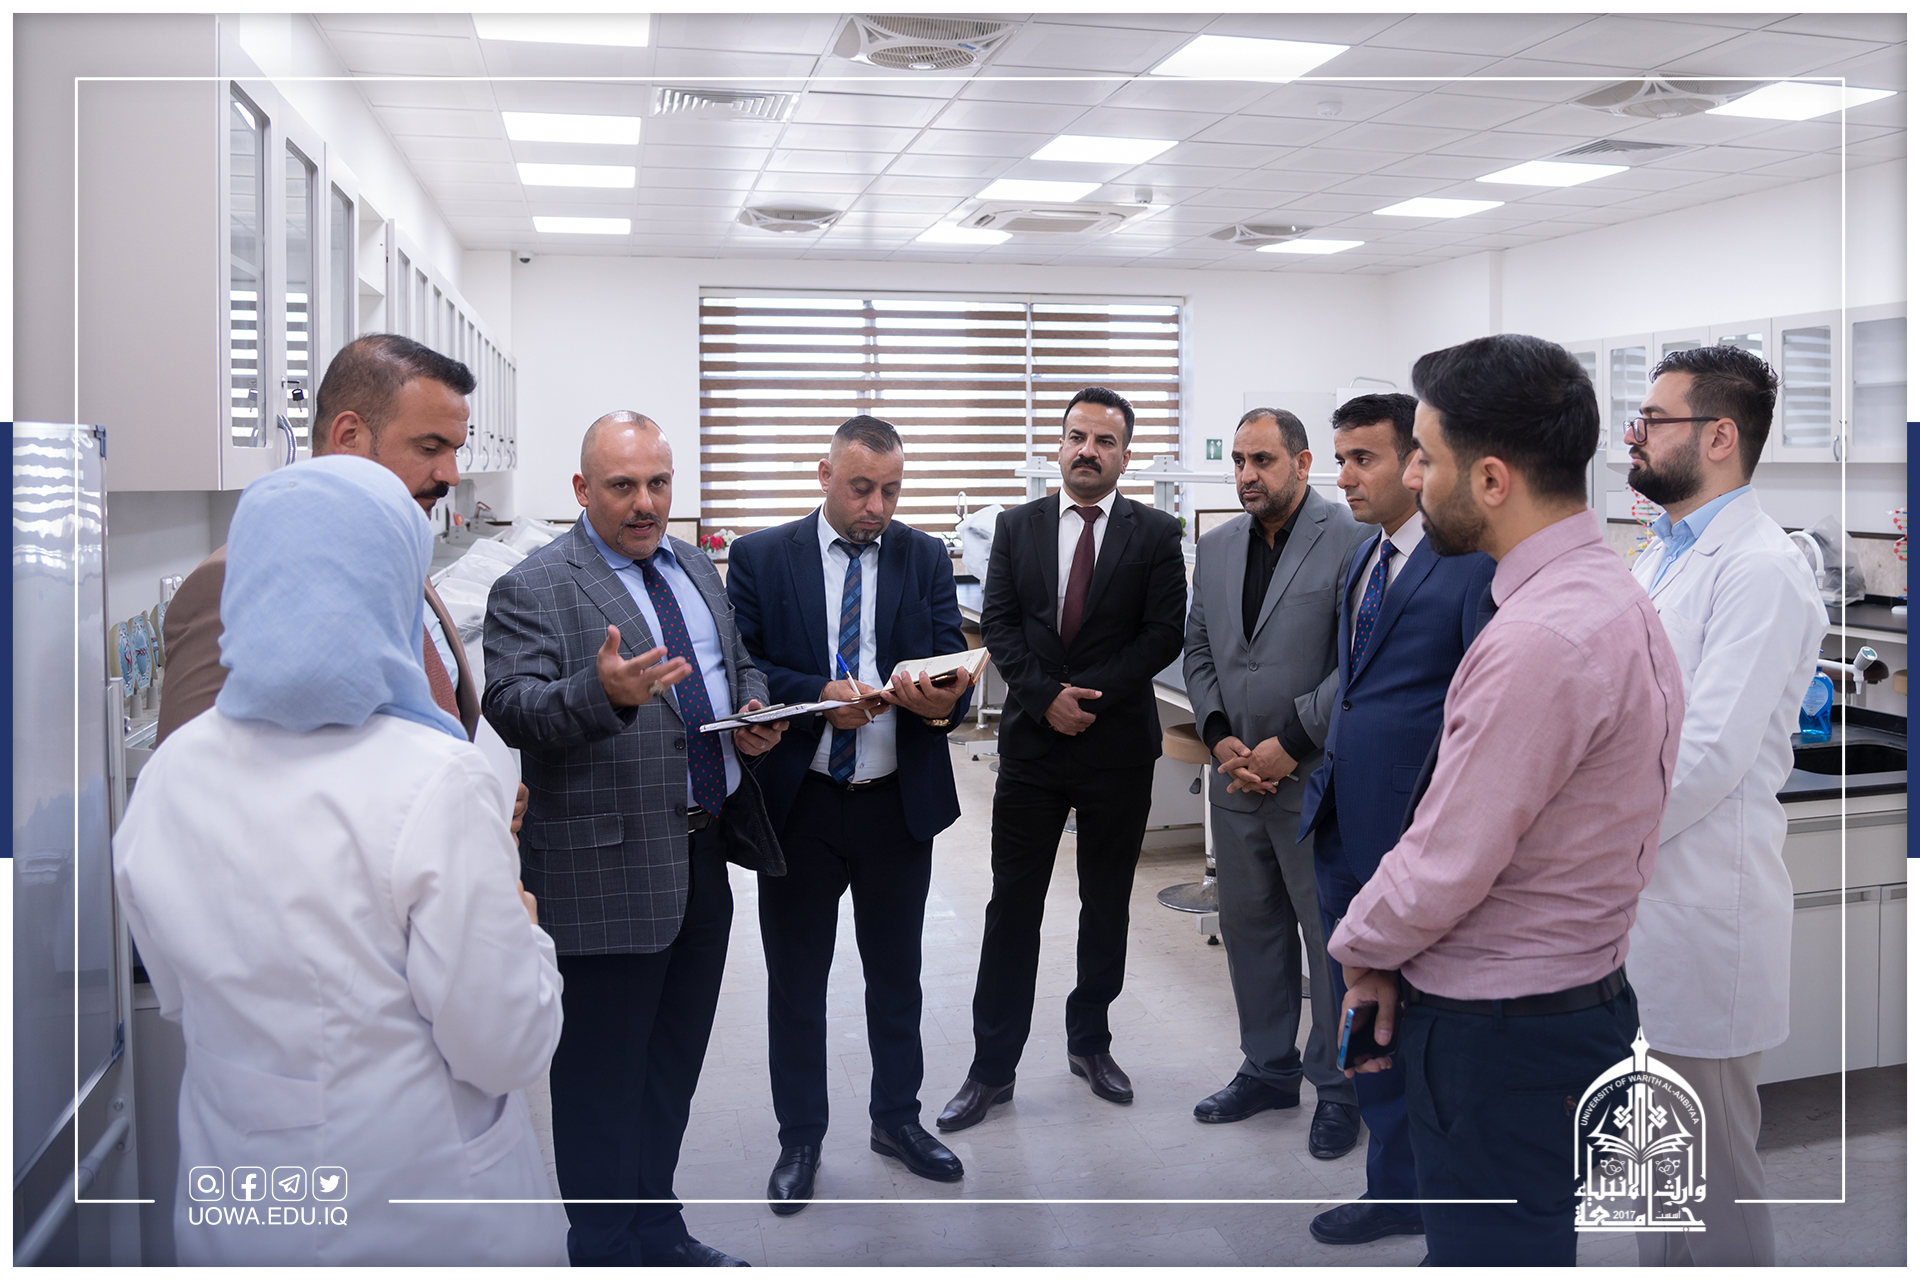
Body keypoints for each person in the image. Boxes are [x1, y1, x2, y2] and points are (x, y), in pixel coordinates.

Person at [113, 455, 567, 1266]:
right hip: (421, 1215)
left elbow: (180, 996)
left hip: (242, 1210)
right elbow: (505, 1048)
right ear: (391, 585)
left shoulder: (173, 771)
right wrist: (525, 929)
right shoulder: (434, 778)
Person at [1327, 334, 1685, 1267]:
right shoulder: (1605, 592)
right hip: (1569, 1010)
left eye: (1425, 457)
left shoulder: (1541, 638)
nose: (1412, 477)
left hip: (1502, 1039)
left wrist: (1360, 947)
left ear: (1490, 479)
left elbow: (1448, 859)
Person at [483, 412, 787, 1268]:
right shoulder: (535, 586)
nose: (646, 502)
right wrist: (603, 692)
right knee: (599, 1084)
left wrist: (754, 709)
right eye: (623, 486)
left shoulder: (693, 564)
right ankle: (605, 1249)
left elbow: (735, 664)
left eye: (659, 483)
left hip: (701, 853)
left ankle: (657, 1228)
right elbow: (511, 707)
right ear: (583, 489)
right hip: (602, 870)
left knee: (670, 1069)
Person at [725, 415, 976, 1211]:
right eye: (862, 488)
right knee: (797, 983)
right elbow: (743, 663)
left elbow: (951, 663)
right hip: (801, 804)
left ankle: (896, 1121)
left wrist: (939, 697)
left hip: (894, 804)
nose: (877, 507)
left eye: (892, 491)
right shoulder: (763, 556)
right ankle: (800, 1138)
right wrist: (816, 695)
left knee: (896, 978)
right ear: (824, 474)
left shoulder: (922, 555)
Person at [1623, 345, 1826, 1266]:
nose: (1635, 434)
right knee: (1655, 1170)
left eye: (1653, 419)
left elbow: (1705, 756)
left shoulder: (1761, 567)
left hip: (1701, 914)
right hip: (1644, 907)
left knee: (1711, 1180)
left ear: (1719, 436)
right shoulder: (1663, 554)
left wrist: (1584, 839)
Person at [938, 386, 1186, 1131]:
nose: (1088, 450)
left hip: (1117, 749)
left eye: (1104, 441)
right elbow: (1000, 625)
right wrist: (1047, 697)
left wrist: (1089, 696)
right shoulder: (1016, 527)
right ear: (1059, 445)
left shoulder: (1156, 532)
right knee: (1013, 906)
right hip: (1033, 749)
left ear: (1125, 456)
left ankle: (1091, 1043)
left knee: (1106, 903)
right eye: (1077, 436)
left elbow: (1163, 633)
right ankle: (991, 1068)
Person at [1295, 393, 1495, 1245]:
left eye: (1362, 458)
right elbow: (1356, 690)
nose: (1344, 476)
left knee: (1424, 1026)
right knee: (1361, 1013)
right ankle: (1393, 1184)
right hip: (1342, 821)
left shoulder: (1470, 567)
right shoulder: (1364, 558)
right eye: (1340, 458)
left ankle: (1437, 1190)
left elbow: (1479, 715)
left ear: (1418, 463)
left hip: (1417, 835)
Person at [1182, 408, 1371, 1157]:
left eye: (1261, 460)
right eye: (1238, 461)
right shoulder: (1218, 546)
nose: (1246, 476)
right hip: (1235, 779)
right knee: (1250, 929)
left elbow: (1357, 659)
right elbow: (1200, 647)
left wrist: (1290, 744)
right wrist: (1217, 733)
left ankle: (1340, 1087)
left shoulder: (1352, 540)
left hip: (1314, 777)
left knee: (1328, 940)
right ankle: (1267, 1069)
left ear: (1302, 462)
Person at [157, 333, 482, 744]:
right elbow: (199, 769)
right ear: (348, 436)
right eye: (429, 448)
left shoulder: (398, 552)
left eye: (455, 451)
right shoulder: (232, 579)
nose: (451, 475)